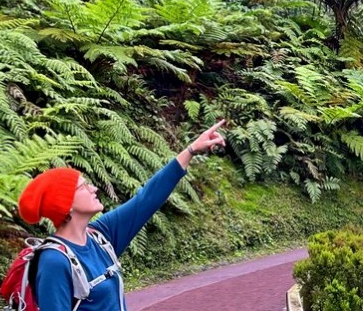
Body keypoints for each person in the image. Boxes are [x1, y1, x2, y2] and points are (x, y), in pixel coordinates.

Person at [17, 119, 227, 311]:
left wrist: (190, 150)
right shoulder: (54, 261)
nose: (94, 189)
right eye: (83, 187)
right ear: (66, 205)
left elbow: (146, 200)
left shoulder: (100, 237)